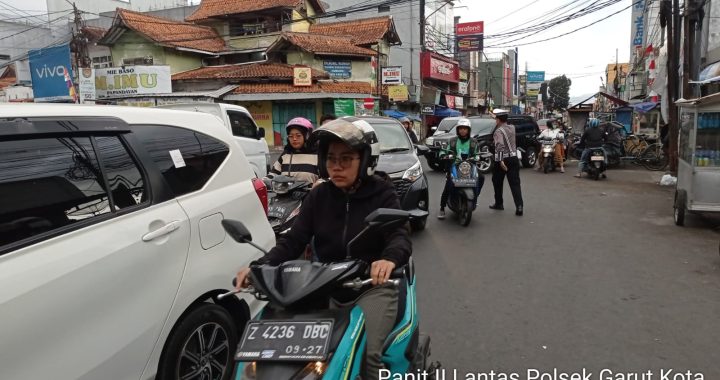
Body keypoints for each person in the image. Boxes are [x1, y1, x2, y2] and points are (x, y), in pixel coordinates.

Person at [235, 117, 411, 380]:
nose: (336, 167)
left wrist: (387, 260)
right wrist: (259, 266)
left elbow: (399, 234)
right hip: (322, 281)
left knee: (367, 354)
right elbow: (294, 240)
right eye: (331, 159)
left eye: (346, 159)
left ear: (364, 161)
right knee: (279, 351)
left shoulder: (382, 193)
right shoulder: (319, 196)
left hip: (369, 286)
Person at [437, 118, 484, 219]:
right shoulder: (452, 141)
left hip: (470, 166)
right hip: (455, 165)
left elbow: (477, 153)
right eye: (461, 128)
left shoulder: (473, 142)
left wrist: (478, 157)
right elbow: (443, 151)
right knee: (449, 184)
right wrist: (444, 155)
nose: (463, 130)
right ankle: (442, 207)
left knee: (481, 177)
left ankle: (475, 196)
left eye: (465, 128)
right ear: (458, 130)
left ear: (468, 130)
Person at [489, 109, 524, 216]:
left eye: (496, 119)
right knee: (515, 184)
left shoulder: (498, 131)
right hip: (514, 158)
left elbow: (500, 146)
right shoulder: (512, 128)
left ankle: (499, 203)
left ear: (498, 120)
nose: (495, 120)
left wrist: (500, 161)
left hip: (503, 160)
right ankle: (519, 206)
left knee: (497, 181)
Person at [269, 117, 319, 184]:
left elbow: (325, 179)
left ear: (307, 136)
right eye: (291, 136)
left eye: (298, 135)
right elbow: (273, 174)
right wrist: (265, 181)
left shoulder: (318, 155)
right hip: (286, 193)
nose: (294, 139)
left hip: (311, 194)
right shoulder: (285, 155)